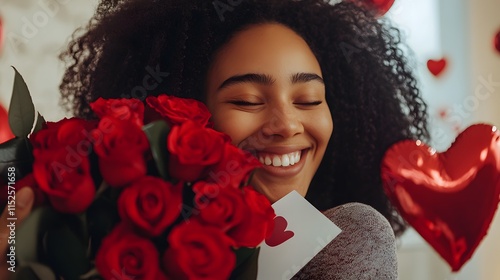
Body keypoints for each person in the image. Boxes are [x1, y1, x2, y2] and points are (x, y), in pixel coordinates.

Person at [1, 0, 429, 278]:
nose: (286, 124)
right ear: (185, 113)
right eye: (245, 100)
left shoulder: (349, 240)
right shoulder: (112, 246)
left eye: (309, 98)